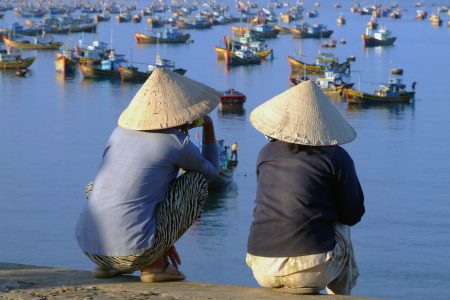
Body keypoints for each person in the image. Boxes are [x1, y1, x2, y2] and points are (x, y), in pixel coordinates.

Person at [76, 69, 220, 283]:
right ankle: (154, 265)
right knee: (196, 182)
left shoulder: (118, 133)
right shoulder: (175, 142)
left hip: (91, 249)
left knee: (96, 186)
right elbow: (212, 172)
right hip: (135, 251)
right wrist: (208, 126)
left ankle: (109, 266)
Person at [246, 80, 365, 295]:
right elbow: (353, 215)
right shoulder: (336, 156)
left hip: (261, 265)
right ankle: (340, 295)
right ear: (322, 123)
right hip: (312, 268)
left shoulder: (265, 154)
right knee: (341, 228)